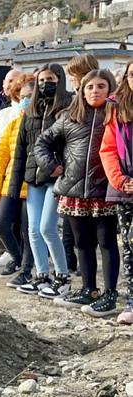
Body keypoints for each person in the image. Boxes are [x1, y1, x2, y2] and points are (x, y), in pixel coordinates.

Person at [39, 69, 120, 313]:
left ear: (110, 88)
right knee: (82, 243)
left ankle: (110, 294)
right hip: (74, 190)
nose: (95, 91)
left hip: (106, 190)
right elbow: (42, 142)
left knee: (107, 243)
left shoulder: (118, 115)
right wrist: (52, 166)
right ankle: (88, 290)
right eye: (90, 87)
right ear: (82, 91)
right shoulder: (69, 117)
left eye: (101, 86)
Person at [8, 63, 74, 296]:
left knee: (47, 228)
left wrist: (62, 168)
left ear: (60, 80)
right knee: (33, 230)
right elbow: (20, 150)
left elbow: (72, 144)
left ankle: (63, 277)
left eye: (51, 79)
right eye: (42, 80)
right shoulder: (31, 110)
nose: (46, 83)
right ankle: (42, 275)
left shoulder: (69, 107)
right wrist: (14, 188)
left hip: (56, 176)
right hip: (33, 177)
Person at [0, 72, 36, 267]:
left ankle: (27, 264)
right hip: (11, 179)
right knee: (2, 224)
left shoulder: (45, 120)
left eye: (30, 96)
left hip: (33, 181)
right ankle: (15, 257)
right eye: (23, 96)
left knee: (27, 228)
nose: (25, 99)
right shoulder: (6, 116)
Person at [101, 58, 133, 324]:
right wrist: (120, 179)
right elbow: (108, 149)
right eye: (132, 74)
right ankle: (132, 301)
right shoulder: (117, 109)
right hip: (126, 189)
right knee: (130, 246)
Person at [64, 55, 101, 273]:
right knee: (74, 228)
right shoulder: (72, 105)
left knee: (94, 232)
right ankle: (77, 264)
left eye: (73, 76)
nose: (71, 80)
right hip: (74, 173)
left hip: (95, 175)